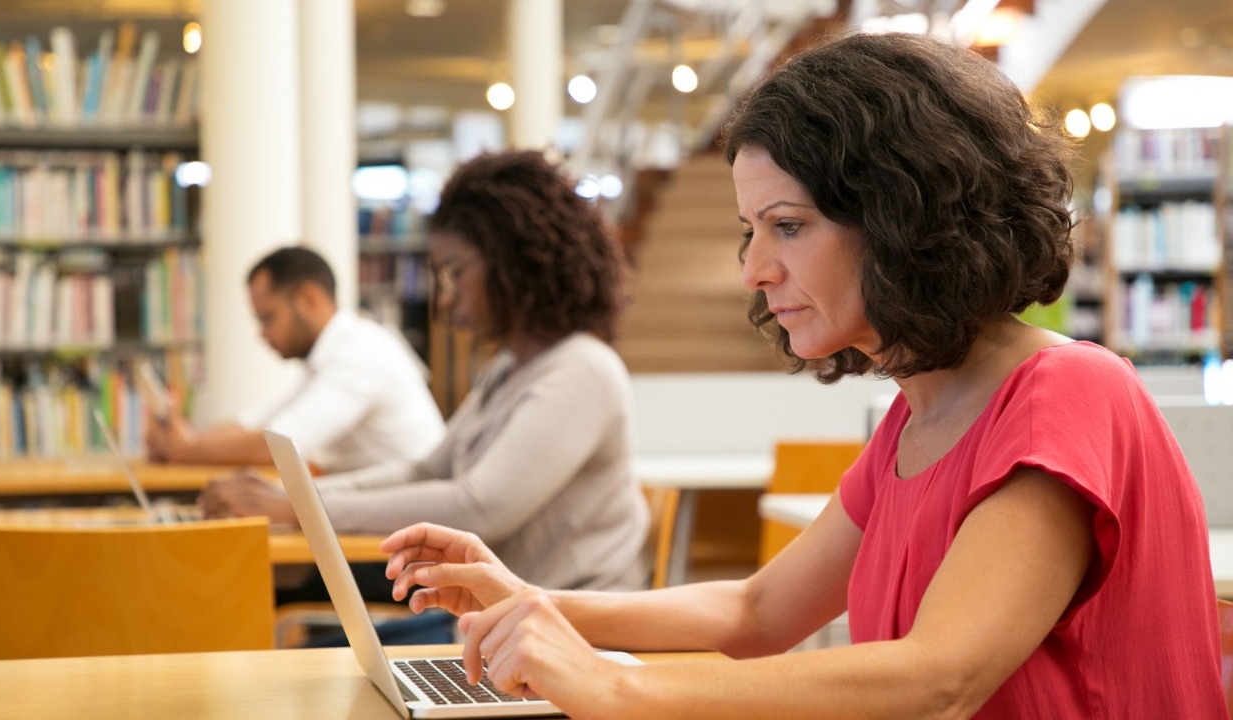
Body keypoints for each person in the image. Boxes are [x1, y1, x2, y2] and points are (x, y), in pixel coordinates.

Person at [378, 32, 1228, 719]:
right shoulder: (919, 416)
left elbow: (939, 681)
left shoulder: (1068, 392)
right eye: (751, 231)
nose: (755, 270)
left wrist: (617, 688)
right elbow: (756, 613)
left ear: (903, 218)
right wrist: (534, 602)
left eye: (787, 225)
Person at [199, 150, 650, 598]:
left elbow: (477, 508)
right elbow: (426, 470)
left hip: (572, 630)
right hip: (503, 622)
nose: (446, 298)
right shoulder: (509, 369)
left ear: (513, 261)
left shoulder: (582, 370)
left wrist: (300, 506)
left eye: (455, 272)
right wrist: (295, 496)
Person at [145, 245, 445, 473]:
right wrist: (189, 439)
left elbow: (282, 445)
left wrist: (186, 449)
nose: (262, 334)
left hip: (415, 524)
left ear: (309, 299)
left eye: (268, 318)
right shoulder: (332, 354)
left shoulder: (360, 354)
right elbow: (257, 422)